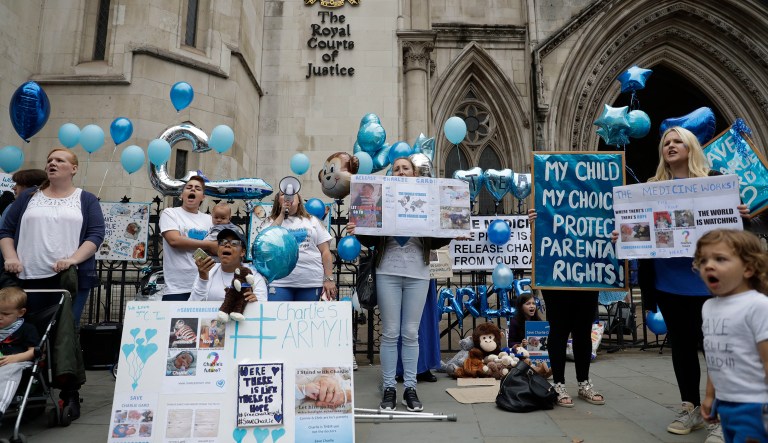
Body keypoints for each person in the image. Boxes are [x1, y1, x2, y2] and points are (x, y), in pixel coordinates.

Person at [633, 127, 749, 438]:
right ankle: (691, 409)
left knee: (717, 350)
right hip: (669, 283)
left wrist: (743, 214)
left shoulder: (714, 179)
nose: (670, 146)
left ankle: (723, 416)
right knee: (682, 348)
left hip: (711, 285)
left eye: (677, 141)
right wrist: (625, 234)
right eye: (666, 143)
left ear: (691, 146)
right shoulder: (651, 187)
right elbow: (638, 230)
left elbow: (741, 228)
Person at [348, 156, 452, 412]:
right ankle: (389, 388)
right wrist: (357, 228)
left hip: (417, 272)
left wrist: (451, 229)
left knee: (410, 333)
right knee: (391, 332)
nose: (401, 172)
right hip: (388, 272)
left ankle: (411, 388)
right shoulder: (383, 198)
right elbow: (370, 238)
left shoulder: (427, 199)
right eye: (396, 169)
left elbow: (437, 240)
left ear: (415, 174)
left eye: (406, 168)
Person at [694, 230, 768, 443]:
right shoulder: (708, 307)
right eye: (703, 260)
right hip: (726, 403)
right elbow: (716, 356)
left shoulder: (758, 305)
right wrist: (710, 396)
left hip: (755, 405)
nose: (708, 265)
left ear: (748, 268)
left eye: (720, 259)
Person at [528, 209, 604, 407]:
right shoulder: (549, 200)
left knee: (582, 331)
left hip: (586, 274)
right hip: (556, 276)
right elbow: (541, 243)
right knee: (559, 331)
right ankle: (559, 384)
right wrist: (535, 224)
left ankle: (583, 382)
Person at [265, 192, 336, 302]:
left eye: (293, 193)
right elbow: (267, 242)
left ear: (299, 200)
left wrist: (329, 279)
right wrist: (282, 215)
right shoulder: (270, 222)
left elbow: (325, 251)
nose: (289, 196)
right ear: (278, 201)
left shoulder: (312, 221)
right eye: (283, 194)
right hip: (279, 282)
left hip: (310, 282)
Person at [159, 176, 217, 301]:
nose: (193, 190)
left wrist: (211, 246)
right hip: (177, 288)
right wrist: (208, 244)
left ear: (203, 197)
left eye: (198, 188)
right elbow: (174, 240)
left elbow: (217, 247)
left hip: (205, 286)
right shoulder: (170, 213)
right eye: (189, 187)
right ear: (182, 195)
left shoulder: (209, 220)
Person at [189, 227, 267, 302]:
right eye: (222, 242)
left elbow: (263, 308)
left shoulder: (254, 276)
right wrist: (203, 279)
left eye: (234, 243)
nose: (227, 245)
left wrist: (255, 303)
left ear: (242, 252)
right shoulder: (207, 271)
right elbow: (191, 307)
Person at [0, 287, 39, 422]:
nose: (0, 317)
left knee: (8, 371)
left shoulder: (27, 329)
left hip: (19, 361)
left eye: (5, 314)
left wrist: (15, 358)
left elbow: (34, 351)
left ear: (20, 312)